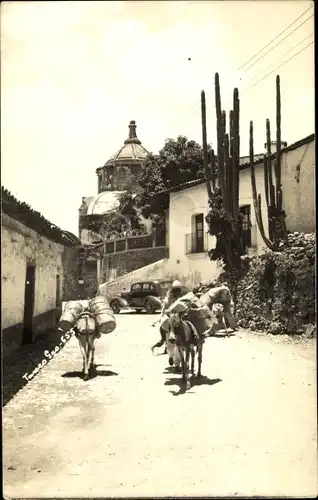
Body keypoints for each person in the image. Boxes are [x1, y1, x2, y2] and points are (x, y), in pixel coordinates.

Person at [151, 280, 185, 360]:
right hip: (170, 322)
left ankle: (175, 359)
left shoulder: (182, 298)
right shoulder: (167, 300)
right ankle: (172, 357)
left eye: (178, 290)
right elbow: (163, 312)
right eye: (175, 291)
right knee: (171, 342)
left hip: (178, 320)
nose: (176, 293)